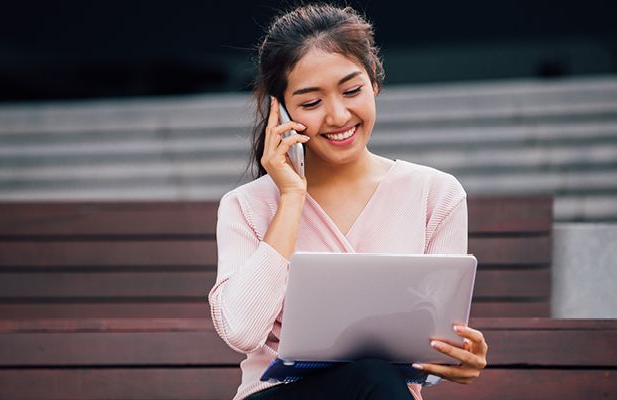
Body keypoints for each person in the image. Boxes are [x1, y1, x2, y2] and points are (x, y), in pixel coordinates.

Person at [208, 3, 487, 400]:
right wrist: (290, 197)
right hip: (278, 394)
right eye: (311, 102)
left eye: (351, 90)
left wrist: (457, 359)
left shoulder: (436, 195)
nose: (338, 116)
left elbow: (429, 349)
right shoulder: (246, 206)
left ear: (374, 80)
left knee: (375, 376)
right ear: (280, 109)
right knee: (372, 375)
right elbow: (241, 331)